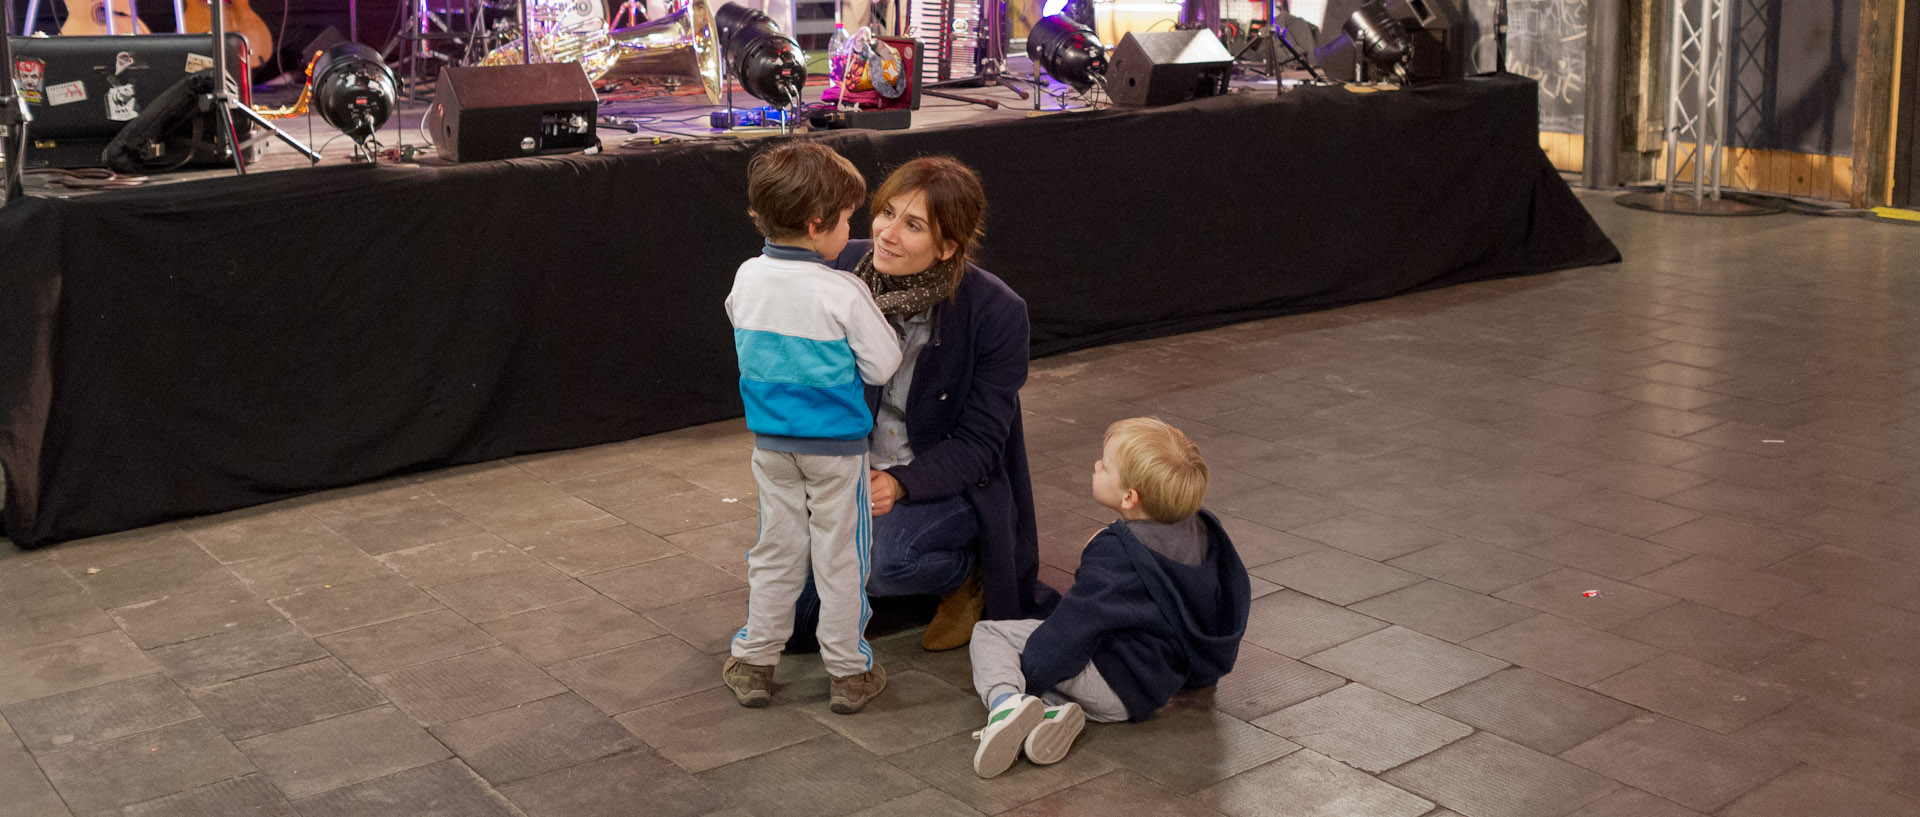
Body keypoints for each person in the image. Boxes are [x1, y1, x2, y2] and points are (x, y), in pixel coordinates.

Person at [803, 156, 1059, 653]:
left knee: (879, 565)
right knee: (795, 619)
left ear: (947, 248)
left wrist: (900, 483)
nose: (887, 233)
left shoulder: (996, 312)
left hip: (943, 481)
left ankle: (967, 575)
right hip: (851, 466)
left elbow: (980, 444)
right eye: (887, 212)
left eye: (913, 225)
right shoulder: (841, 268)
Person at [722, 141, 903, 714]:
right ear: (818, 224)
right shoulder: (842, 289)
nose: (854, 230)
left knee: (774, 550)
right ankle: (849, 672)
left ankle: (755, 661)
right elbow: (883, 364)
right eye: (848, 220)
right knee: (841, 557)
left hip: (772, 447)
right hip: (837, 454)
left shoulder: (747, 276)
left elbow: (741, 327)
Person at [965, 417, 1251, 778]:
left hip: (1111, 682)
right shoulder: (1202, 528)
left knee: (991, 636)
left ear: (1130, 497)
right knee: (1052, 670)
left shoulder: (1116, 554)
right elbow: (1221, 600)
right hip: (1152, 689)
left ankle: (1007, 705)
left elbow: (1074, 627)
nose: (1096, 466)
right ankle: (1048, 714)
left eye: (1104, 465)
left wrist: (1032, 669)